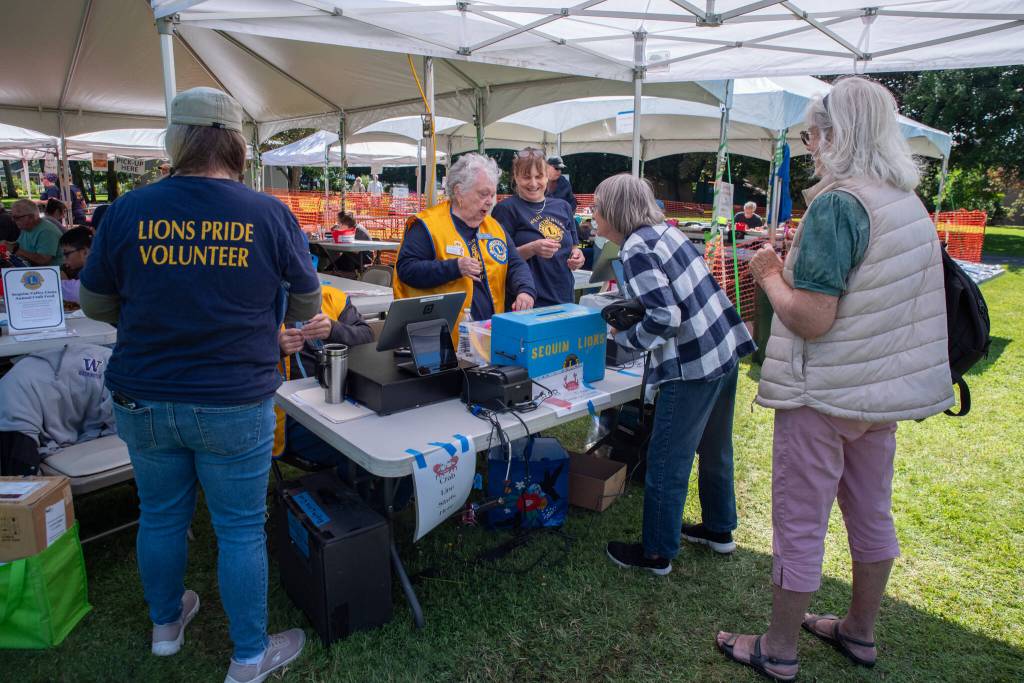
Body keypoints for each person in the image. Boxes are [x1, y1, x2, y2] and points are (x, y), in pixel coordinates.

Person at [716, 77, 953, 682]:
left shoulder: (839, 203)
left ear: (836, 135)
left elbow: (811, 319)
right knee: (872, 512)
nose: (809, 146)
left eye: (812, 134)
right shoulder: (907, 202)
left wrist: (769, 271)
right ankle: (860, 632)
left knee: (800, 521)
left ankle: (778, 647)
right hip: (880, 393)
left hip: (822, 393)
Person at [79, 86, 319, 683]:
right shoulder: (268, 213)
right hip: (234, 397)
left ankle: (166, 627)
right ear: (236, 143)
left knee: (159, 514)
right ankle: (247, 657)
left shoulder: (129, 211)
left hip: (144, 392)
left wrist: (146, 321)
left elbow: (93, 302)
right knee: (238, 528)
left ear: (176, 140)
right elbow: (308, 299)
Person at [599, 173, 755, 576]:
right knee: (717, 449)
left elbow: (666, 317)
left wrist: (625, 342)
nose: (593, 216)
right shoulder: (665, 233)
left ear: (613, 211)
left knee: (668, 459)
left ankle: (656, 553)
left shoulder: (634, 248)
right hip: (723, 348)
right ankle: (719, 530)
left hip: (693, 365)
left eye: (597, 207)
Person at [394, 153, 536, 331]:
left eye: (493, 194)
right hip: (442, 338)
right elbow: (407, 270)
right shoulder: (427, 225)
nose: (490, 202)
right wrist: (455, 268)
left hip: (489, 334)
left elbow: (515, 264)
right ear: (459, 191)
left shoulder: (494, 227)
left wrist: (525, 290)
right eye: (484, 194)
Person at [274, 285, 373, 463]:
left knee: (379, 437)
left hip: (342, 398)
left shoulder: (332, 296)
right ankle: (353, 486)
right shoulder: (258, 302)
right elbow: (235, 356)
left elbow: (367, 337)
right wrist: (276, 349)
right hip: (289, 414)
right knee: (360, 448)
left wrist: (335, 330)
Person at [491, 148, 584, 307]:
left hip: (563, 298)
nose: (533, 183)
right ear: (515, 177)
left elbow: (574, 247)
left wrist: (577, 257)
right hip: (526, 302)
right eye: (526, 177)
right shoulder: (506, 209)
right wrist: (532, 248)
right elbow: (497, 260)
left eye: (539, 176)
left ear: (547, 176)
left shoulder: (563, 207)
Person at [3, 198, 63, 266]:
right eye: (12, 216)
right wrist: (7, 244)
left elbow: (43, 260)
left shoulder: (46, 232)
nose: (13, 220)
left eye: (17, 217)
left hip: (50, 273)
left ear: (31, 217)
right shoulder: (27, 227)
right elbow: (21, 245)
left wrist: (15, 250)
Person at [57, 227, 92, 304]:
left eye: (66, 254)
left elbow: (76, 290)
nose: (64, 259)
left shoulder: (97, 273)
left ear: (85, 252)